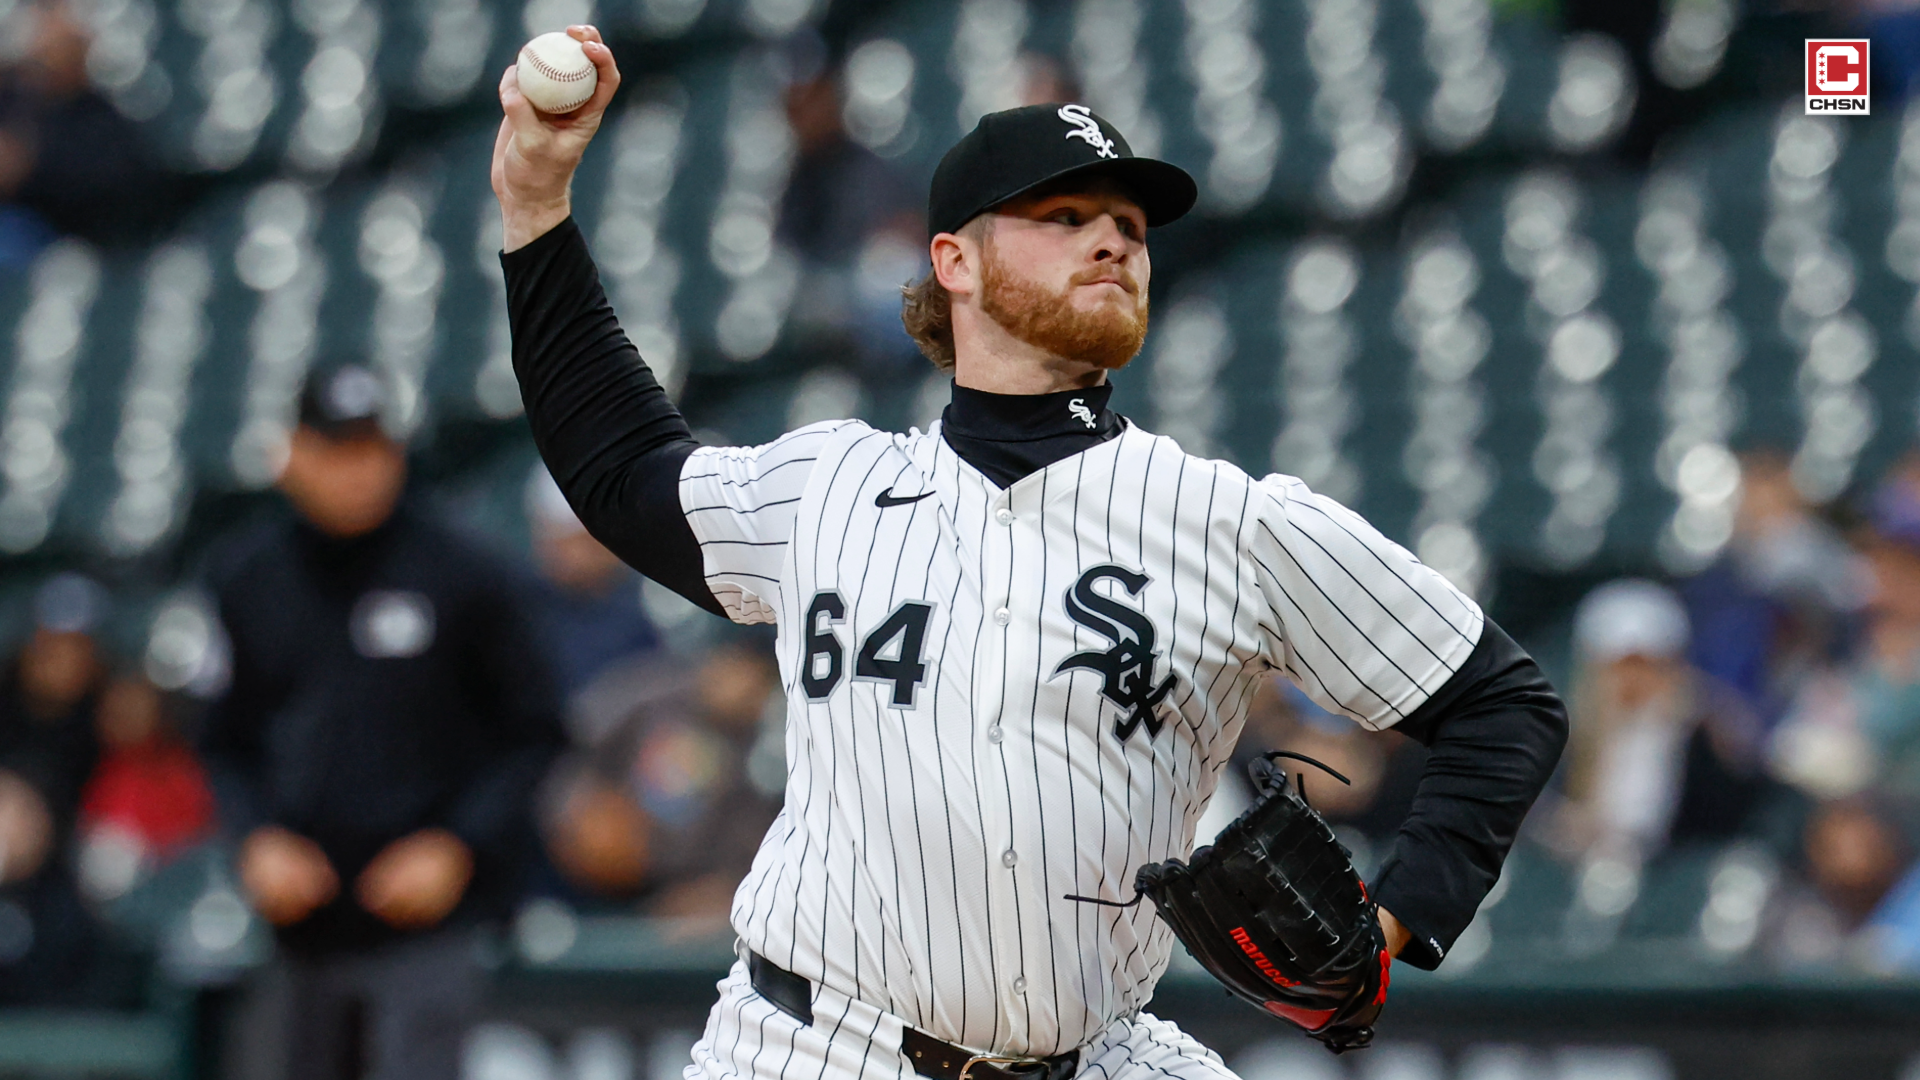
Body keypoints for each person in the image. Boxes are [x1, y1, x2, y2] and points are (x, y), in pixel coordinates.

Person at [493, 27, 1566, 1080]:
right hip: (814, 1047)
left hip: (1091, 1055)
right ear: (953, 261)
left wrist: (1395, 919)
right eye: (1064, 217)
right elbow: (621, 466)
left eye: (1129, 226)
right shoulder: (827, 489)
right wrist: (536, 207)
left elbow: (1503, 703)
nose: (1113, 241)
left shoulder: (1231, 524)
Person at [198, 364, 565, 1080]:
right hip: (299, 926)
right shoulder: (246, 576)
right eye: (337, 450)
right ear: (294, 454)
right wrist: (257, 837)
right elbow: (221, 740)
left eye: (372, 449)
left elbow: (535, 732)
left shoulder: (465, 571)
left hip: (429, 923)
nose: (358, 472)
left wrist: (457, 845)